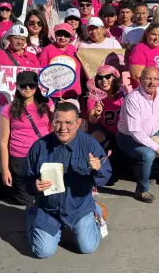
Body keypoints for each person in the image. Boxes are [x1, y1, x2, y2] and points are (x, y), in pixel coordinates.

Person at [25, 101, 111, 259]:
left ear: (78, 123)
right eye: (58, 122)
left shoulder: (89, 143)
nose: (62, 128)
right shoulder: (39, 146)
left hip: (79, 208)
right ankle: (33, 215)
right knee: (43, 252)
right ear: (52, 122)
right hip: (49, 210)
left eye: (69, 123)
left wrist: (98, 168)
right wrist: (35, 186)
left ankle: (95, 212)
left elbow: (106, 175)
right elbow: (26, 180)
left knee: (88, 247)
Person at [116, 67, 159, 202]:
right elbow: (136, 131)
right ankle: (142, 191)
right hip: (128, 137)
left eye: (155, 79)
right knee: (148, 154)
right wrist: (157, 148)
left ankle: (140, 169)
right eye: (148, 78)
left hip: (152, 133)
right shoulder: (132, 99)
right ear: (140, 80)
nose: (152, 82)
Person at [0, 71, 53, 206]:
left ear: (37, 86)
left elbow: (53, 130)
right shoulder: (9, 109)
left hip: (44, 155)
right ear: (17, 87)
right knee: (27, 201)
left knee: (49, 194)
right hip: (20, 159)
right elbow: (4, 141)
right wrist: (5, 169)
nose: (27, 89)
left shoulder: (47, 104)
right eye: (23, 86)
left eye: (31, 85)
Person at [39, 24, 81, 101]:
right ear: (55, 35)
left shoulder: (74, 49)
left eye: (66, 35)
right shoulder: (47, 50)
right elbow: (41, 71)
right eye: (59, 35)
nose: (62, 38)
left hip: (72, 92)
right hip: (54, 94)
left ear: (70, 37)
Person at [87, 65, 126, 149]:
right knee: (96, 136)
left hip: (123, 131)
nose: (104, 80)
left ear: (114, 78)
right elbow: (92, 120)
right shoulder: (94, 96)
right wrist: (97, 114)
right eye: (100, 78)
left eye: (107, 77)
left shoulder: (123, 93)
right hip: (105, 129)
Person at [129, 23, 159, 88]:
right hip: (146, 92)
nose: (157, 38)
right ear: (147, 34)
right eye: (154, 34)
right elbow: (137, 77)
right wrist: (151, 92)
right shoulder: (139, 49)